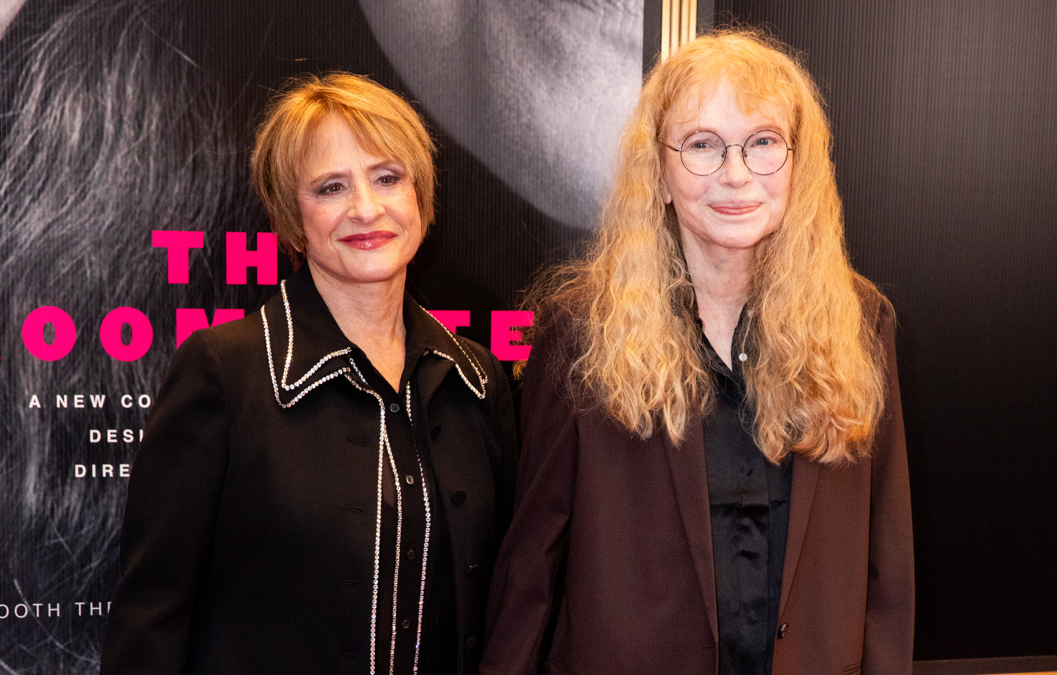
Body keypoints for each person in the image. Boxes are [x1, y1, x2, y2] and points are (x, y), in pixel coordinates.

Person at [482, 29, 913, 675]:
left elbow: (886, 559)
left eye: (763, 142)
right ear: (658, 171)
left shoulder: (860, 322)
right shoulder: (580, 330)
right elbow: (532, 559)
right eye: (703, 145)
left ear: (799, 165)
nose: (736, 174)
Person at [100, 73, 517, 674]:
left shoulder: (475, 379)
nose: (366, 209)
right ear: (293, 219)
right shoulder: (224, 372)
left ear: (420, 197)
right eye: (330, 188)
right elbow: (152, 617)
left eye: (387, 178)